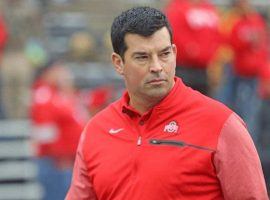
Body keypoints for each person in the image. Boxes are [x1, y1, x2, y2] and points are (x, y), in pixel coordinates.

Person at [66, 7, 268, 199]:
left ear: (175, 52)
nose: (157, 67)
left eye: (164, 54)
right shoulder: (96, 131)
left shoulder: (222, 125)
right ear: (118, 63)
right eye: (142, 57)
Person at [30, 60, 89, 200]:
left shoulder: (57, 94)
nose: (62, 75)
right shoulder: (44, 95)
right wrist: (59, 157)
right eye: (58, 71)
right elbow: (44, 133)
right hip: (56, 163)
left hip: (65, 161)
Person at [215, 0, 268, 145]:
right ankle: (224, 141)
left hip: (253, 74)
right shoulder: (231, 18)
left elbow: (262, 49)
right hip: (234, 70)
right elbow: (225, 41)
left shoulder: (256, 20)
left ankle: (247, 144)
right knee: (226, 106)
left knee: (250, 112)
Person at [165, 0, 221, 95]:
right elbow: (174, 34)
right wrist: (192, 51)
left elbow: (216, 35)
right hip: (183, 68)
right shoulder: (177, 7)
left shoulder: (209, 8)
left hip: (205, 69)